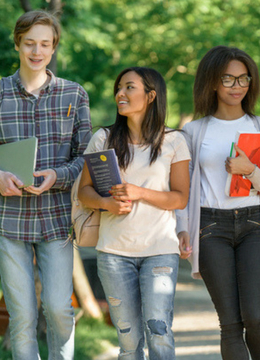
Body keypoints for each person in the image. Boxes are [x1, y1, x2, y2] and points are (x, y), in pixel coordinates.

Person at [0, 10, 91, 359]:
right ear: (17, 43)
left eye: (45, 44)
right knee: (22, 316)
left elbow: (85, 158)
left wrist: (57, 177)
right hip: (8, 219)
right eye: (30, 43)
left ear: (53, 47)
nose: (37, 51)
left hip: (57, 218)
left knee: (60, 310)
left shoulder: (74, 95)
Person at [175, 45, 260, 360]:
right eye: (228, 79)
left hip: (253, 225)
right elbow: (183, 189)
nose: (238, 86)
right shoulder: (193, 132)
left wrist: (249, 171)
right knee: (231, 324)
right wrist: (182, 229)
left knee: (255, 315)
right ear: (212, 83)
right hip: (210, 228)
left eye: (243, 79)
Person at [77, 67, 190, 360]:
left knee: (160, 332)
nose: (120, 94)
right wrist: (108, 205)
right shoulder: (103, 138)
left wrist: (139, 192)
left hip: (160, 252)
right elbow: (84, 192)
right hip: (114, 253)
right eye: (119, 88)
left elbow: (180, 198)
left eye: (129, 87)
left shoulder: (174, 141)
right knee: (128, 342)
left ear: (151, 96)